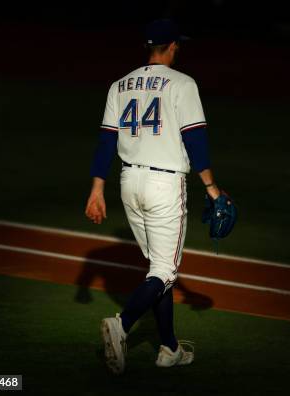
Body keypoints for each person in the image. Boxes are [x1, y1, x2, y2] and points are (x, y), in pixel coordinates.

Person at [84, 19, 222, 374]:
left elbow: (105, 142)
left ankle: (169, 347)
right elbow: (196, 140)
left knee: (157, 268)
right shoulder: (183, 83)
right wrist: (211, 188)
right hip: (164, 185)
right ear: (173, 46)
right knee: (165, 269)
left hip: (129, 182)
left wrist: (97, 188)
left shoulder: (120, 85)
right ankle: (122, 324)